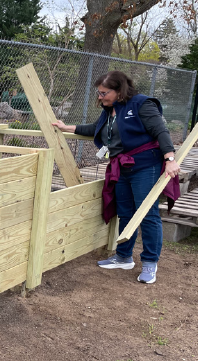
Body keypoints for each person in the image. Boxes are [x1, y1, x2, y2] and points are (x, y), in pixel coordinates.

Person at [52, 70, 181, 284]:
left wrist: (170, 159)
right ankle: (123, 257)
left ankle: (150, 263)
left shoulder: (142, 104)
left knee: (147, 214)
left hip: (144, 166)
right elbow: (96, 129)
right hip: (121, 167)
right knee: (125, 212)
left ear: (118, 90)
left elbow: (161, 131)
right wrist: (68, 127)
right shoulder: (109, 109)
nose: (100, 97)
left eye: (104, 93)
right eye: (99, 93)